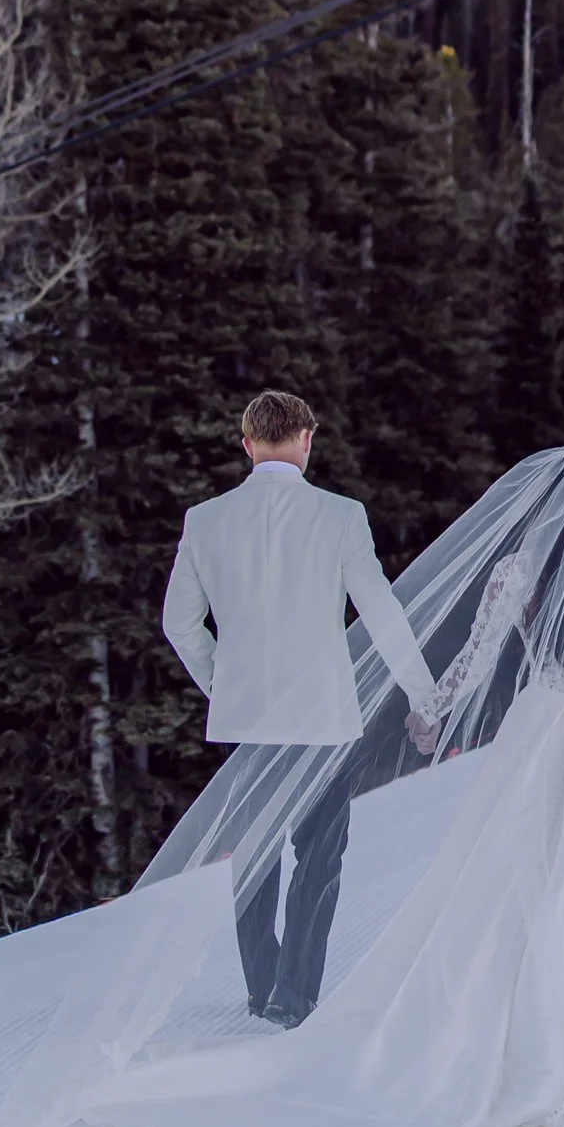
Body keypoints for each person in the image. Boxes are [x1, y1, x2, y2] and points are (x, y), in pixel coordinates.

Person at [94, 518, 564, 1127]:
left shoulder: (545, 576)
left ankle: (549, 1022)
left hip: (562, 739)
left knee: (553, 878)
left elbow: (492, 662)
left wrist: (431, 713)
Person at [162, 388, 440, 1025]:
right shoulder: (341, 515)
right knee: (319, 857)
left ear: (247, 445)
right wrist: (425, 696)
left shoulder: (204, 521)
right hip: (323, 719)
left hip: (249, 722)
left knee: (253, 857)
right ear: (307, 440)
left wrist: (221, 683)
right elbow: (382, 614)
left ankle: (262, 989)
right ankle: (296, 996)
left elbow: (179, 622)